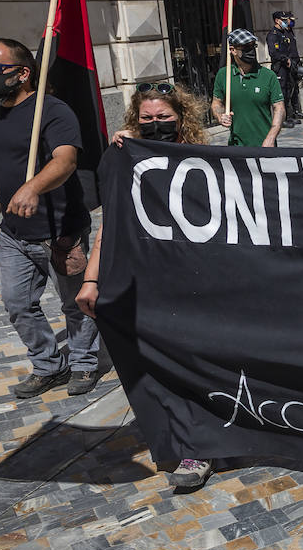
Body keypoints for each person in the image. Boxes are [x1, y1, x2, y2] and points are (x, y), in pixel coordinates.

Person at [76, 83, 217, 488]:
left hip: (197, 282)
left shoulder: (204, 159)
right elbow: (111, 222)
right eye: (147, 119)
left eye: (164, 117)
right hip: (146, 283)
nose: (156, 124)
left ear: (181, 117)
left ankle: (206, 439)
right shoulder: (126, 158)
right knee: (160, 365)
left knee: (197, 362)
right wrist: (91, 278)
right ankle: (191, 443)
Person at [0, 37, 100, 398]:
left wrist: (33, 187)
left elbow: (66, 160)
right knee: (17, 304)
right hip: (14, 233)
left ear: (23, 73)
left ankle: (84, 362)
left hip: (60, 230)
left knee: (75, 304)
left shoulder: (53, 111)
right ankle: (48, 365)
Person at [211, 29, 284, 147]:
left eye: (253, 46)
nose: (251, 51)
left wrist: (271, 138)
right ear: (233, 50)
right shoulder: (223, 75)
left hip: (265, 146)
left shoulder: (268, 76)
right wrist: (220, 116)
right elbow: (216, 103)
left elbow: (279, 108)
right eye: (246, 47)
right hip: (237, 147)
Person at [267, 10, 303, 127]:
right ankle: (281, 120)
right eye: (283, 20)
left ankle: (288, 117)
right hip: (280, 68)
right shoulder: (273, 35)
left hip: (287, 67)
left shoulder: (283, 33)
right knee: (282, 93)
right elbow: (274, 53)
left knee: (288, 92)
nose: (285, 22)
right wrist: (285, 59)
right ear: (277, 20)